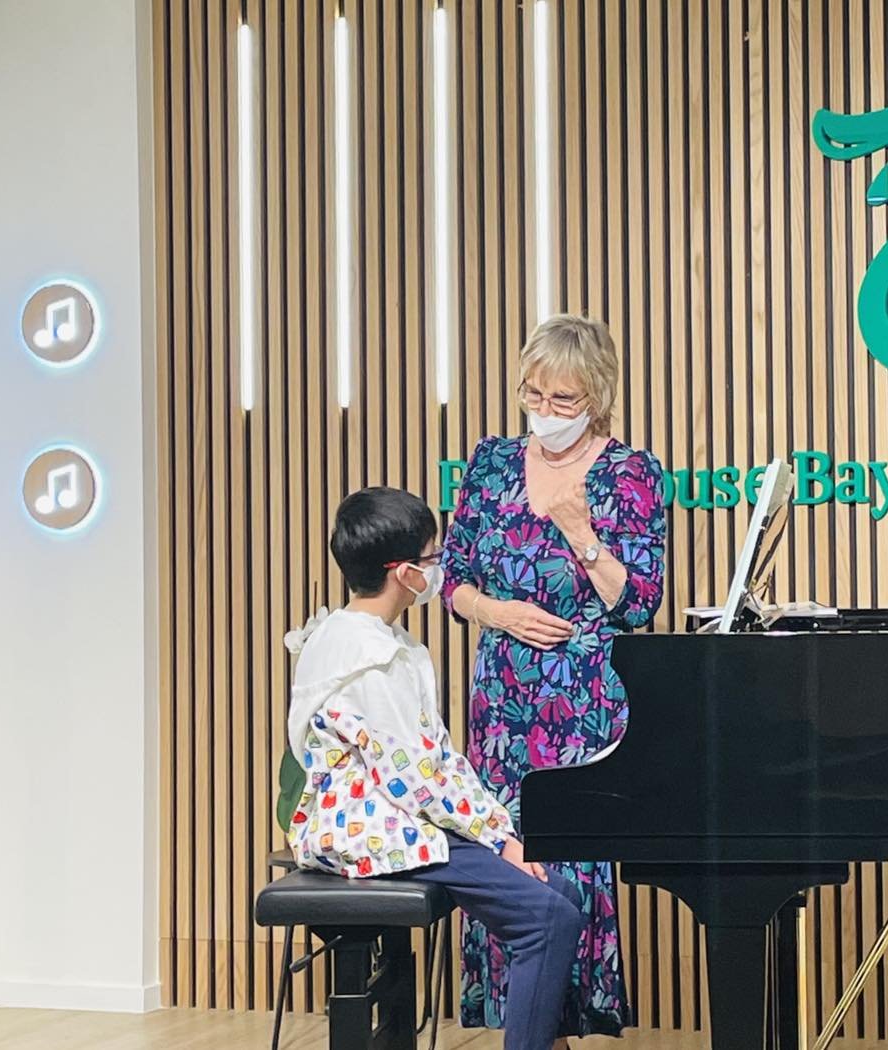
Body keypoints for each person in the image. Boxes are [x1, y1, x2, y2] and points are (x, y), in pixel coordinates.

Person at [284, 485, 582, 1050]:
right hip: (367, 827)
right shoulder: (364, 657)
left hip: (398, 814)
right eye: (432, 558)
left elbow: (435, 760)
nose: (440, 569)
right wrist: (500, 841)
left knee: (560, 894)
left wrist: (500, 833)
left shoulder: (382, 639)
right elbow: (416, 775)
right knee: (548, 919)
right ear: (403, 574)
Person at [441, 314, 667, 1041]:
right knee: (505, 858)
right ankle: (524, 1031)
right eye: (533, 393)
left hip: (582, 704)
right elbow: (452, 583)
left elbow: (638, 604)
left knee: (569, 865)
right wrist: (500, 612)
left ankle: (561, 1023)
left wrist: (581, 533)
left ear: (597, 396)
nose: (544, 410)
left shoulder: (631, 472)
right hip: (502, 702)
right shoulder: (492, 462)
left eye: (562, 399)